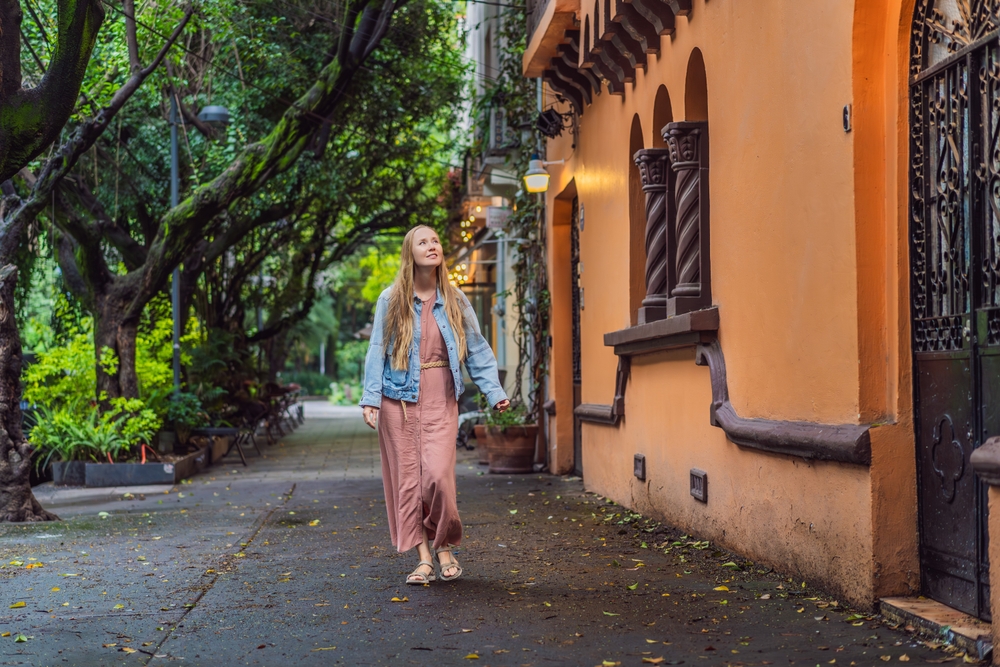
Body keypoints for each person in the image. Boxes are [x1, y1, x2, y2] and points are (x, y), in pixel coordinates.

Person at [360, 225, 509, 584]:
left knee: (438, 478)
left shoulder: (455, 299)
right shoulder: (391, 299)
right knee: (408, 483)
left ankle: (444, 545)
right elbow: (377, 349)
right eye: (422, 242)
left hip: (441, 397)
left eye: (435, 241)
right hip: (398, 401)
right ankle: (425, 557)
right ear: (409, 253)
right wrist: (370, 399)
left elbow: (476, 348)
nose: (432, 246)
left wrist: (494, 391)